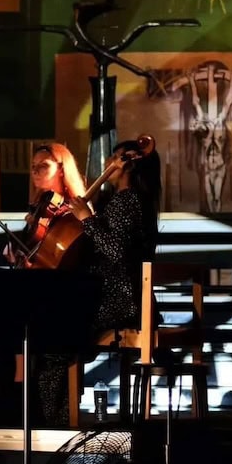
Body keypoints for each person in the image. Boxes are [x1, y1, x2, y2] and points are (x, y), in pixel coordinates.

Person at [4, 143, 90, 427]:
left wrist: (35, 265)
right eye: (33, 167)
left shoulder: (73, 215)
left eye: (44, 166)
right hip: (40, 292)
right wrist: (19, 254)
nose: (35, 172)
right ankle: (17, 393)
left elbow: (70, 264)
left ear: (62, 169)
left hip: (64, 297)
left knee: (16, 311)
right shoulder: (41, 211)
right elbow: (35, 255)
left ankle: (21, 396)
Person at [70, 138, 162, 339]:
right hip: (124, 298)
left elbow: (116, 251)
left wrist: (87, 219)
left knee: (54, 328)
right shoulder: (134, 199)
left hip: (117, 301)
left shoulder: (126, 200)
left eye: (113, 157)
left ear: (127, 164)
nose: (107, 162)